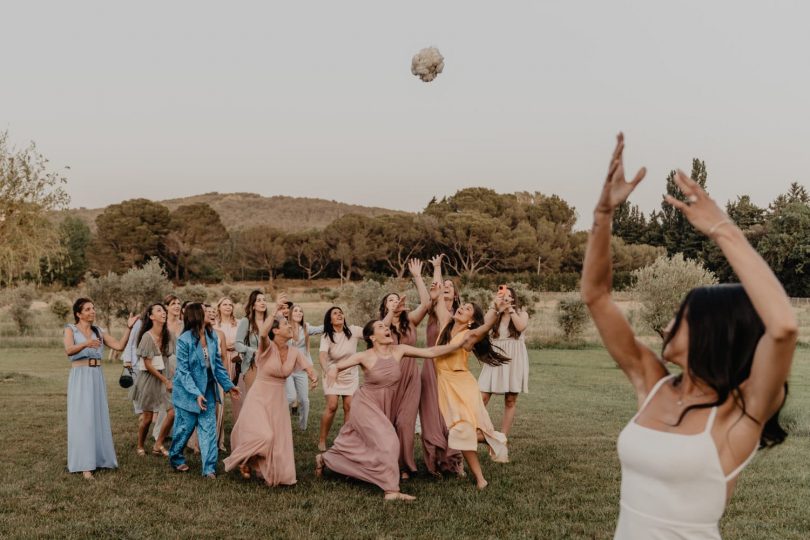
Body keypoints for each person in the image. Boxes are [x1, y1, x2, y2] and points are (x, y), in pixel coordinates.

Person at [581, 134, 797, 539]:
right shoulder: (652, 382)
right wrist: (603, 215)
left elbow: (783, 327)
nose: (666, 326)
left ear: (714, 333)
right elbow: (595, 295)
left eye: (681, 316)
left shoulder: (742, 410)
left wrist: (722, 228)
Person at [316, 320, 465, 500]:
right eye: (381, 327)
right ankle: (391, 491)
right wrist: (332, 370)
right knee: (390, 441)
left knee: (359, 443)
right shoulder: (365, 356)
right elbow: (338, 365)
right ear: (372, 337)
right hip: (365, 405)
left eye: (386, 327)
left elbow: (431, 352)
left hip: (383, 405)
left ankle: (326, 459)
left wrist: (456, 345)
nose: (386, 328)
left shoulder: (399, 350)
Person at [430, 257, 511, 489]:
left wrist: (495, 308)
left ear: (471, 321)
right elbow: (439, 299)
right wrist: (436, 269)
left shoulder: (469, 336)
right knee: (462, 433)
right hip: (445, 384)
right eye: (462, 306)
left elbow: (485, 326)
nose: (461, 308)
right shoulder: (446, 322)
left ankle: (491, 437)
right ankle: (481, 479)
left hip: (462, 384)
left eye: (466, 309)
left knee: (461, 432)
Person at [224, 315, 318, 486]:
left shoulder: (294, 351)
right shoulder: (266, 347)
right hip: (259, 397)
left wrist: (313, 376)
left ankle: (270, 470)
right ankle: (243, 459)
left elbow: (308, 366)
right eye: (285, 324)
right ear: (275, 330)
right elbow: (262, 334)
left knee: (277, 440)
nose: (290, 326)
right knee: (264, 436)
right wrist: (274, 311)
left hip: (278, 401)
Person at [63, 299, 138, 479]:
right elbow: (69, 350)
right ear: (78, 314)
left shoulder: (99, 331)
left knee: (97, 416)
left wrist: (129, 328)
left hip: (96, 376)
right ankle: (84, 465)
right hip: (80, 376)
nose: (92, 311)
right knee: (83, 419)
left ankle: (100, 459)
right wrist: (86, 344)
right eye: (88, 309)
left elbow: (119, 346)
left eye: (93, 308)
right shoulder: (70, 329)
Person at [168, 303, 241, 478]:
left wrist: (229, 385)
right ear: (197, 316)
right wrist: (196, 394)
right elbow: (183, 372)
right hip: (187, 392)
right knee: (184, 429)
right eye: (205, 310)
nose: (211, 312)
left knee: (208, 428)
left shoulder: (212, 337)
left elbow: (217, 366)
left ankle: (209, 468)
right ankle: (176, 457)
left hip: (207, 389)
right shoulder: (184, 339)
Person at [379, 258, 431, 479]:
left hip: (411, 376)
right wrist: (392, 310)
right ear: (385, 307)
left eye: (396, 299)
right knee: (387, 422)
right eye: (390, 301)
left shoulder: (410, 321)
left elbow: (427, 304)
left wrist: (418, 277)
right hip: (389, 377)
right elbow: (383, 325)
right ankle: (386, 461)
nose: (395, 302)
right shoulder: (381, 326)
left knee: (405, 422)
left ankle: (404, 466)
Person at [419, 259, 464, 477]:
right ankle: (434, 461)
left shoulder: (459, 316)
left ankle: (456, 460)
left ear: (455, 294)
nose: (445, 287)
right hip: (430, 367)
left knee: (453, 415)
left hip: (450, 370)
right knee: (431, 414)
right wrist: (436, 268)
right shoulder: (433, 311)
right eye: (442, 285)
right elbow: (433, 293)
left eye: (450, 286)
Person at [479, 285, 530, 436]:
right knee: (482, 397)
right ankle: (476, 428)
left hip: (514, 360)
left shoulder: (522, 313)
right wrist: (496, 306)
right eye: (502, 295)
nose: (505, 298)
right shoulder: (495, 313)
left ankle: (503, 436)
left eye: (508, 295)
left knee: (510, 399)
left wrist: (511, 310)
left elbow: (520, 327)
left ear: (514, 298)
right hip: (495, 357)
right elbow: (483, 324)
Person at [131, 303, 176, 457]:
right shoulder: (146, 336)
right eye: (159, 310)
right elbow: (147, 364)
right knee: (147, 418)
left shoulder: (169, 335)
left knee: (172, 412)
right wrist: (165, 380)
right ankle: (140, 445)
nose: (163, 312)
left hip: (166, 377)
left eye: (164, 310)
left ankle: (158, 444)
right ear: (151, 317)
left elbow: (173, 356)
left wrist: (170, 377)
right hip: (149, 379)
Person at [317, 306, 362, 451]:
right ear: (330, 320)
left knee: (349, 407)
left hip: (350, 375)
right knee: (332, 406)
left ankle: (345, 440)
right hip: (332, 374)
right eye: (335, 313)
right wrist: (326, 370)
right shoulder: (326, 336)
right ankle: (322, 440)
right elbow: (322, 355)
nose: (339, 314)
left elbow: (371, 331)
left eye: (341, 312)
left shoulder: (353, 331)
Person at [285, 304, 323, 431]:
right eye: (295, 310)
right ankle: (281, 423)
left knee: (304, 400)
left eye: (301, 311)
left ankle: (303, 427)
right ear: (290, 313)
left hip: (301, 369)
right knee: (290, 397)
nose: (299, 313)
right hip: (287, 369)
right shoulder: (285, 327)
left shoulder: (306, 327)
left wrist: (331, 322)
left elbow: (320, 329)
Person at [152, 294, 183, 440]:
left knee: (180, 400)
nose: (177, 306)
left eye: (178, 303)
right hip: (165, 365)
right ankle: (160, 432)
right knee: (167, 400)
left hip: (183, 365)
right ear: (166, 308)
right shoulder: (162, 326)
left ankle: (176, 431)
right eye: (173, 304)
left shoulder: (184, 324)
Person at [215, 296, 242, 419]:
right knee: (219, 396)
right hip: (220, 361)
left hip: (237, 360)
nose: (228, 307)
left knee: (238, 396)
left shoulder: (239, 323)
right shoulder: (214, 324)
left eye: (230, 305)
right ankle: (217, 431)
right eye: (224, 304)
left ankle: (241, 428)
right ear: (219, 307)